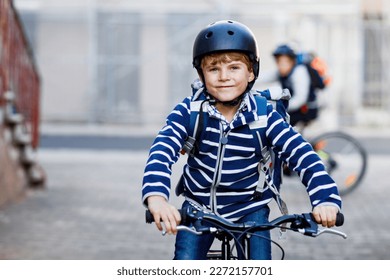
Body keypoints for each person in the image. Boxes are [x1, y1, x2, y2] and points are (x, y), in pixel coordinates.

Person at [142, 20, 342, 260]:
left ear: (251, 73)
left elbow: (303, 156)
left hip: (250, 208)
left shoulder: (265, 116)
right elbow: (162, 151)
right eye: (213, 69)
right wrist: (156, 198)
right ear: (201, 74)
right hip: (199, 208)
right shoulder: (190, 112)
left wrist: (325, 200)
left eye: (234, 68)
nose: (224, 77)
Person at [262, 44, 319, 127]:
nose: (280, 65)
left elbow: (300, 99)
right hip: (298, 109)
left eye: (284, 62)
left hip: (307, 110)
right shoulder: (282, 72)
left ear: (292, 62)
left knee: (277, 125)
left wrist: (279, 106)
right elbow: (264, 77)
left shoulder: (299, 72)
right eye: (278, 62)